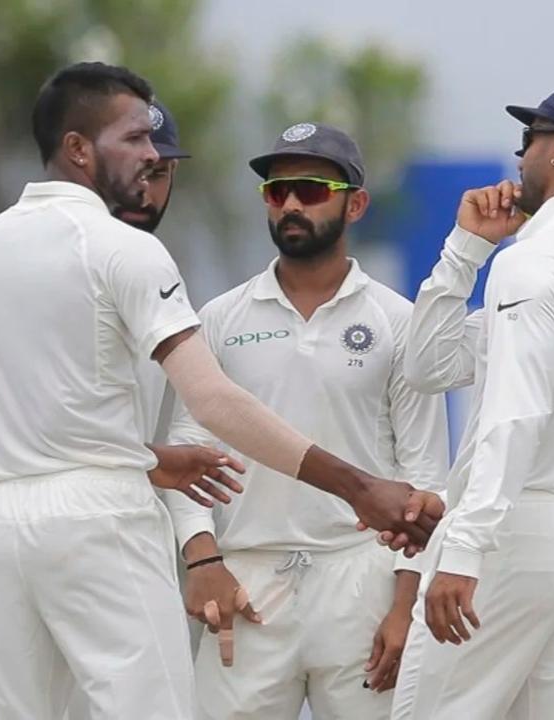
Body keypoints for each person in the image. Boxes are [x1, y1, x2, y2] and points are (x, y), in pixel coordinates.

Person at [0, 62, 443, 719]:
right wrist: (359, 487)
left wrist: (153, 460)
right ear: (77, 148)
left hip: (5, 523)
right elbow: (211, 403)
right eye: (134, 140)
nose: (153, 155)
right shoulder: (125, 249)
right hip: (102, 518)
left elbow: (19, 415)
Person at [0, 98, 232, 638]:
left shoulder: (153, 270)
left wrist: (196, 549)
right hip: (20, 521)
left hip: (120, 521)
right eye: (137, 167)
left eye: (160, 172)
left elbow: (180, 430)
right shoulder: (27, 265)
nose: (145, 186)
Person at [164, 123, 449, 719]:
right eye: (277, 191)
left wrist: (405, 606)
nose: (291, 203)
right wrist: (203, 561)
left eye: (312, 189)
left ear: (356, 204)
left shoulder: (397, 321)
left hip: (360, 583)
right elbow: (187, 448)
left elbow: (424, 471)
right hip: (247, 584)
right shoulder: (220, 317)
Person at [389, 81, 554, 719]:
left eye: (528, 139)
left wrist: (466, 550)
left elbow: (515, 416)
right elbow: (429, 366)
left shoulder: (534, 265)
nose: (519, 157)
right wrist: (466, 249)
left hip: (514, 539)